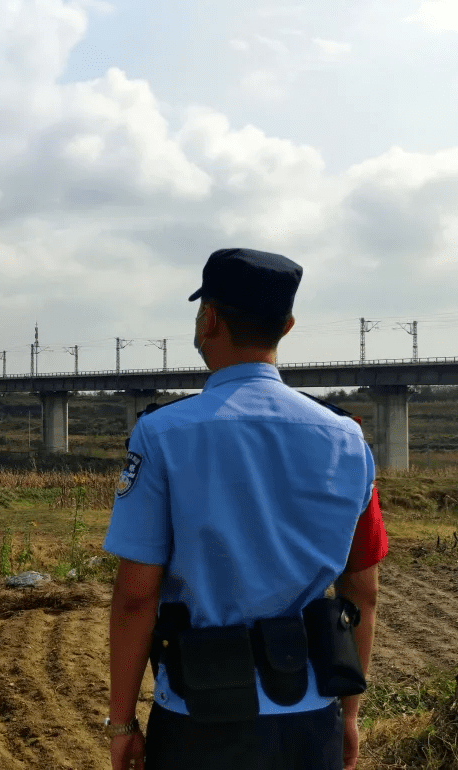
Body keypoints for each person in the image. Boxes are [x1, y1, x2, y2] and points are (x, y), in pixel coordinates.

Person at [103, 248, 386, 770]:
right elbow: (362, 591)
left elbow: (135, 597)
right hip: (310, 715)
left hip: (197, 714)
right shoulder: (348, 441)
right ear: (288, 325)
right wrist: (349, 716)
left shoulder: (163, 434)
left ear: (209, 319)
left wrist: (122, 723)